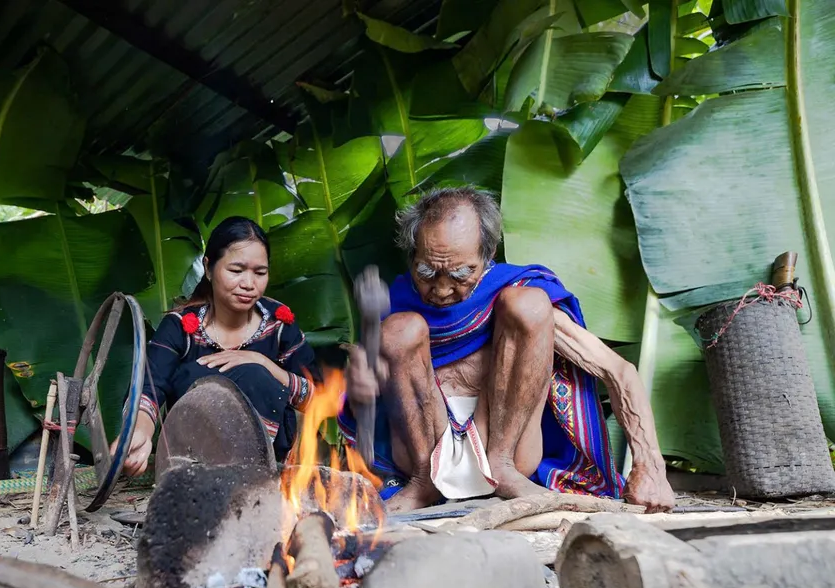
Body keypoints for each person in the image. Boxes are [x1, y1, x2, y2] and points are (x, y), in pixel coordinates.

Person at [338, 186, 676, 513]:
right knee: (400, 329)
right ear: (412, 255)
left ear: (487, 257)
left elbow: (618, 372)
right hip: (420, 453)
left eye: (460, 273)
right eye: (427, 271)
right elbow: (363, 402)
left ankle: (502, 468)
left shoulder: (514, 289)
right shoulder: (396, 304)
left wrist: (652, 468)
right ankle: (424, 481)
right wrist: (362, 384)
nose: (441, 289)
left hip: (511, 451)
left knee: (528, 305)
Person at [119, 216, 318, 476]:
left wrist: (264, 364)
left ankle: (256, 475)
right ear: (209, 268)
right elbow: (149, 388)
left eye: (260, 272)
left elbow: (320, 398)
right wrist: (140, 432)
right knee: (197, 378)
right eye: (236, 271)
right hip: (195, 466)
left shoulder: (279, 323)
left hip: (269, 470)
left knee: (256, 375)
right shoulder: (180, 326)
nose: (249, 284)